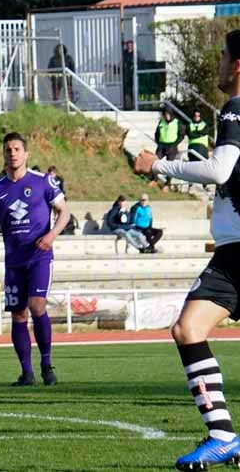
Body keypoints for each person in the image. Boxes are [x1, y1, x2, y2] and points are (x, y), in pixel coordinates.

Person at [133, 29, 240, 469]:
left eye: (222, 57)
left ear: (237, 66)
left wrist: (157, 164)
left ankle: (222, 435)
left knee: (188, 329)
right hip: (234, 252)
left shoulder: (235, 108)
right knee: (188, 328)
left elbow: (220, 169)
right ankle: (222, 436)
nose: (217, 64)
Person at [0, 132, 70, 387]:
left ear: (26, 154)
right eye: (8, 150)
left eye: (17, 149)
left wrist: (51, 235)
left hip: (39, 256)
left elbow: (64, 212)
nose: (13, 153)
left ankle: (47, 364)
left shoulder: (43, 182)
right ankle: (26, 372)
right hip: (14, 261)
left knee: (37, 305)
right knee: (18, 314)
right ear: (3, 154)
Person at [154, 106, 185, 191]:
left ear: (171, 114)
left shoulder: (177, 122)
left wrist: (175, 144)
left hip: (172, 146)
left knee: (169, 166)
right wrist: (158, 142)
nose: (167, 116)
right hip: (161, 145)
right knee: (155, 161)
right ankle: (154, 179)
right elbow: (156, 133)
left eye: (168, 114)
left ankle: (167, 184)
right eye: (165, 114)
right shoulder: (161, 122)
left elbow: (181, 135)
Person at [122, 39, 136, 110]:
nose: (129, 46)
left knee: (133, 90)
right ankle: (127, 106)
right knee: (126, 90)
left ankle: (133, 105)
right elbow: (122, 61)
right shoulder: (125, 53)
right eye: (128, 45)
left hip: (133, 74)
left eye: (131, 45)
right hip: (126, 75)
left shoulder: (135, 53)